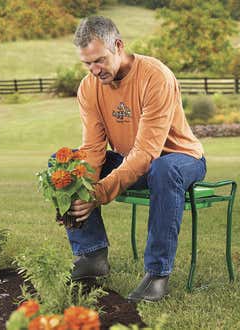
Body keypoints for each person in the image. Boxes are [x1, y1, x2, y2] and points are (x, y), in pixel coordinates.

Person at [68, 16, 206, 302]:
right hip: (129, 159)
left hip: (179, 159)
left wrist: (99, 193)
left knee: (163, 169)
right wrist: (83, 185)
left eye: (100, 60)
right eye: (87, 64)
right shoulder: (89, 88)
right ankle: (91, 255)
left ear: (118, 46)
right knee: (66, 167)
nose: (94, 70)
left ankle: (157, 274)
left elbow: (147, 153)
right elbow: (93, 150)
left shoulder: (155, 76)